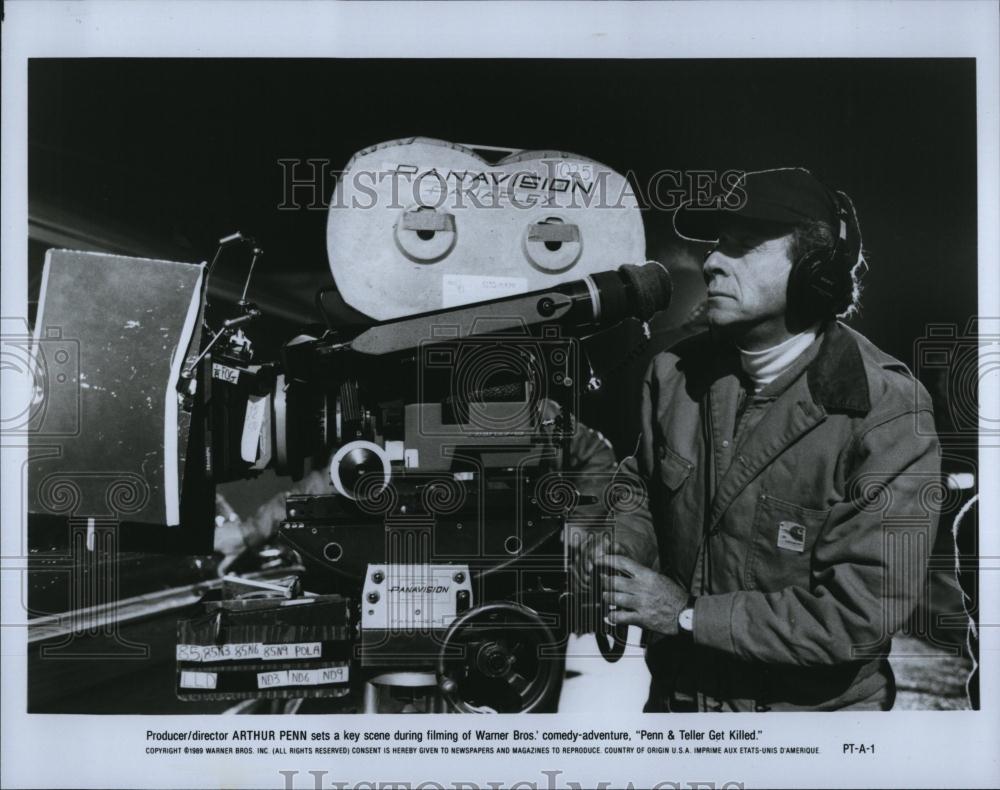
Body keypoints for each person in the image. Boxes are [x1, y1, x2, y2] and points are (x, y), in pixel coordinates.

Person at [594, 168, 941, 711]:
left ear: (814, 272)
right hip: (681, 708)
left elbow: (858, 615)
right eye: (715, 244)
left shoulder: (887, 412)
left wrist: (685, 615)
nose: (711, 262)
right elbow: (640, 486)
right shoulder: (674, 374)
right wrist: (617, 551)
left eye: (744, 246)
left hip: (807, 727)